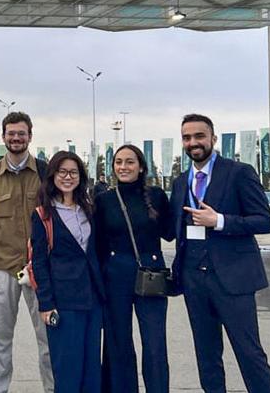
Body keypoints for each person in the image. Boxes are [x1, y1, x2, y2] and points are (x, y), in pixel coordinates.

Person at [171, 114, 270, 393]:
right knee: (207, 357)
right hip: (194, 280)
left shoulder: (239, 172)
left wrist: (219, 220)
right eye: (187, 137)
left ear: (213, 139)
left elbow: (265, 221)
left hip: (233, 280)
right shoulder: (181, 182)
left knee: (249, 353)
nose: (193, 142)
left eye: (199, 136)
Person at [0, 111, 55, 393]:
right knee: (0, 338)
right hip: (2, 267)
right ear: (3, 137)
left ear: (30, 136)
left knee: (47, 337)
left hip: (40, 268)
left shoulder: (46, 173)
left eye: (22, 133)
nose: (16, 138)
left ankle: (53, 387)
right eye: (11, 133)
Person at [94, 144, 174, 393]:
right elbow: (97, 244)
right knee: (118, 342)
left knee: (154, 343)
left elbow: (170, 233)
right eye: (118, 162)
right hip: (116, 274)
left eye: (129, 162)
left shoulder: (157, 195)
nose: (123, 167)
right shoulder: (104, 199)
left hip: (151, 275)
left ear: (140, 167)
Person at [30, 151, 105, 393]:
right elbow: (39, 262)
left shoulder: (89, 209)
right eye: (62, 171)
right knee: (67, 368)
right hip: (63, 302)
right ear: (52, 176)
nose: (67, 177)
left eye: (73, 172)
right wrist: (45, 303)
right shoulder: (43, 215)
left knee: (92, 367)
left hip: (92, 300)